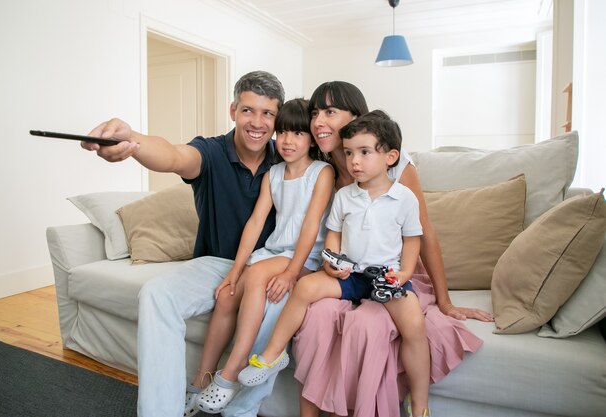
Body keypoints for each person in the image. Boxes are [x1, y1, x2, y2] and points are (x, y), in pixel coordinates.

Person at [82, 71, 292, 417]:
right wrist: (131, 139)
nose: (257, 122)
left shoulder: (287, 158)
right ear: (233, 111)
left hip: (268, 268)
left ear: (278, 117)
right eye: (248, 111)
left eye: (267, 113)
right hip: (215, 264)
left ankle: (234, 404)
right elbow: (172, 156)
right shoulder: (210, 152)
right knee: (155, 294)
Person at [291, 81, 493, 417]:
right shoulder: (320, 169)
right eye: (314, 113)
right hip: (348, 271)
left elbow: (422, 234)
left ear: (357, 118)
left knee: (379, 324)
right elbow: (323, 232)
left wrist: (445, 301)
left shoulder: (394, 167)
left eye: (330, 112)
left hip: (393, 269)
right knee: (317, 316)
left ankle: (411, 403)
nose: (318, 122)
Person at [238, 110, 432, 416]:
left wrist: (404, 272)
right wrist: (331, 263)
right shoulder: (344, 196)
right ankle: (273, 354)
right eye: (350, 153)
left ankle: (420, 404)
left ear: (391, 157)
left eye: (365, 153)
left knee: (414, 327)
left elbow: (412, 241)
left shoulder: (404, 198)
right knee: (304, 287)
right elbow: (332, 237)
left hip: (386, 278)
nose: (354, 161)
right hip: (351, 275)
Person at [187, 98, 334, 415]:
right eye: (281, 132)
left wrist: (292, 273)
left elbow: (311, 226)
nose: (287, 141)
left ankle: (233, 370)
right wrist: (235, 271)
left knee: (257, 276)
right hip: (275, 252)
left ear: (311, 138)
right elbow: (255, 224)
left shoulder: (322, 173)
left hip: (305, 258)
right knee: (227, 297)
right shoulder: (273, 174)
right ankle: (200, 380)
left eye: (297, 133)